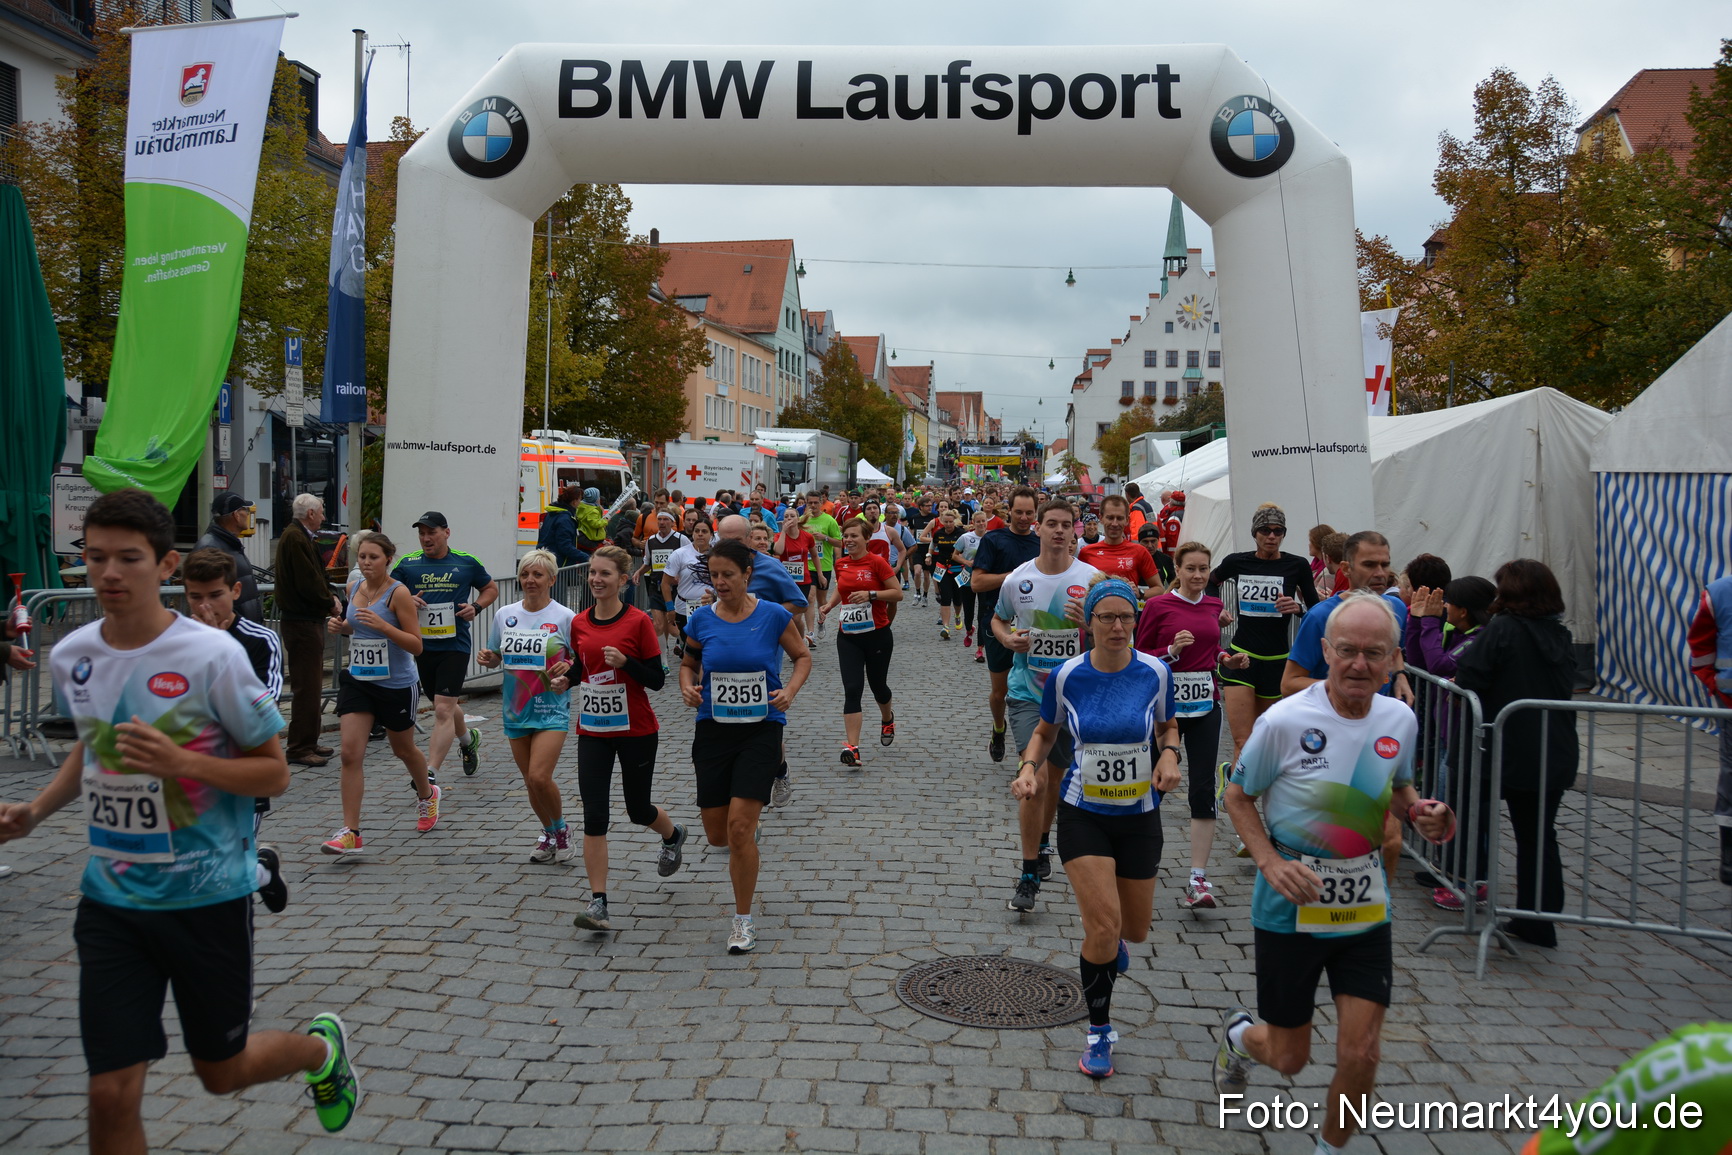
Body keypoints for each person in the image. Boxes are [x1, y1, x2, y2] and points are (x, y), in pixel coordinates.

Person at [0, 489, 362, 1147]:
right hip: (112, 899)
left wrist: (180, 762)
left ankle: (319, 1052)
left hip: (206, 897)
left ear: (164, 566)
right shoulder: (74, 654)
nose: (109, 572)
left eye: (128, 558)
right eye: (96, 556)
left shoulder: (212, 656)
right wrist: (35, 810)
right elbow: (94, 742)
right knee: (108, 1094)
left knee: (221, 1072)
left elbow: (273, 770)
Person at [1214, 592, 1455, 1153]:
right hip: (1290, 908)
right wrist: (1271, 862)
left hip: (1365, 905)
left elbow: (1395, 789)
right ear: (1326, 649)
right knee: (1289, 1057)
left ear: (1394, 657)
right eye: (1347, 650)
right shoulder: (1286, 721)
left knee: (1362, 1052)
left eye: (1374, 653)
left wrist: (1420, 812)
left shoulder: (1399, 718)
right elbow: (1237, 796)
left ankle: (1331, 1147)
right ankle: (1239, 1037)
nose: (1359, 664)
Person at [1015, 575, 1180, 1078]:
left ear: (1136, 620)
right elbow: (1045, 732)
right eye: (1106, 617)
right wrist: (1028, 768)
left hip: (1140, 814)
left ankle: (1117, 944)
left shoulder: (1155, 671)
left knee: (1132, 928)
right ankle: (1100, 1030)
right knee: (1102, 926)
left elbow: (1167, 724)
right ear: (1088, 623)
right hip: (1084, 814)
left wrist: (1170, 754)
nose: (1117, 626)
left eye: (1125, 617)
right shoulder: (1067, 676)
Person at [678, 539, 812, 953]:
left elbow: (802, 657)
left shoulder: (772, 615)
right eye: (714, 575)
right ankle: (745, 824)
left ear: (747, 574)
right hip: (714, 731)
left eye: (728, 575)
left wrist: (789, 690)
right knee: (719, 835)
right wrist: (687, 687)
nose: (720, 582)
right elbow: (688, 663)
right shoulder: (701, 620)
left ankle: (742, 920)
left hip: (761, 728)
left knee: (737, 831)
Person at [1454, 559, 1579, 949]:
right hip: (1552, 748)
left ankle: (1464, 883)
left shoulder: (1503, 630)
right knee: (1538, 834)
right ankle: (1538, 919)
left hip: (1505, 747)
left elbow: (1470, 677)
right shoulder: (1559, 634)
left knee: (1472, 815)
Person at [564, 546, 687, 932]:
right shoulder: (580, 623)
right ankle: (598, 902)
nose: (596, 580)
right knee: (594, 813)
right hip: (593, 732)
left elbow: (656, 679)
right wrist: (563, 679)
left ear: (623, 579)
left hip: (636, 730)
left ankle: (673, 834)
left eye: (605, 574)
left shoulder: (638, 623)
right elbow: (579, 667)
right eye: (593, 573)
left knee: (637, 810)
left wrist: (626, 664)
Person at [994, 498, 1099, 911]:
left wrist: (1088, 624)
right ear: (1036, 528)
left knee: (1055, 780)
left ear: (1075, 530)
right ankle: (1026, 873)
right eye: (1051, 523)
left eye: (1066, 524)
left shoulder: (1091, 579)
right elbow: (999, 619)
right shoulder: (1017, 579)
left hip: (1072, 696)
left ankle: (1041, 842)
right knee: (1032, 775)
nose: (1059, 530)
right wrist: (1006, 639)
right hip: (1027, 693)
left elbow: (1118, 630)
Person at [1136, 543, 1251, 909]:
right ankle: (1138, 861)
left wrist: (1227, 660)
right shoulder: (1157, 605)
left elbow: (1210, 650)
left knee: (1201, 789)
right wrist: (1170, 651)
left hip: (1204, 705)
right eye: (1191, 569)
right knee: (1153, 783)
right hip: (1164, 707)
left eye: (1204, 569)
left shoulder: (1215, 605)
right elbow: (1138, 655)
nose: (1199, 575)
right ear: (1178, 570)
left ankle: (1197, 878)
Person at [182, 548, 290, 914]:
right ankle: (260, 870)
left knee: (228, 870)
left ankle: (254, 875)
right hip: (186, 768)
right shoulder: (175, 642)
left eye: (215, 595)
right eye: (195, 597)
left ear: (235, 592)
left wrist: (219, 651)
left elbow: (262, 707)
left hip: (242, 765)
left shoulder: (260, 640)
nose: (205, 606)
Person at [323, 533, 439, 854]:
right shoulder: (354, 587)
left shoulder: (397, 594)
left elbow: (416, 644)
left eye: (373, 557)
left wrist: (384, 627)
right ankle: (351, 831)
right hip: (359, 680)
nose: (366, 562)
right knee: (349, 753)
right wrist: (341, 627)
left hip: (396, 684)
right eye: (362, 557)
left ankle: (427, 794)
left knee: (403, 749)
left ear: (388, 559)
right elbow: (354, 626)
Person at [475, 549, 578, 865]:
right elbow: (496, 652)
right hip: (516, 709)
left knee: (539, 776)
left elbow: (580, 659)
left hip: (550, 708)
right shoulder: (505, 613)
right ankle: (547, 833)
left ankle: (561, 831)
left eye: (537, 575)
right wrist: (489, 658)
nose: (530, 581)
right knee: (530, 781)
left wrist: (568, 668)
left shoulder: (565, 617)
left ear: (552, 579)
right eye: (525, 574)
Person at [1405, 575, 1496, 911]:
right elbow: (1418, 659)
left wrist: (1429, 622)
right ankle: (1448, 869)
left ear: (1464, 609)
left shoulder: (1479, 638)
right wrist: (1417, 621)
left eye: (1449, 604)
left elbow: (1441, 666)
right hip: (1447, 734)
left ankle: (1471, 880)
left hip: (1466, 737)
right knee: (1445, 801)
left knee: (1458, 806)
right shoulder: (1453, 632)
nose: (1444, 609)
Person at [1210, 503, 1321, 765]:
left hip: (1276, 660)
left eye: (1277, 531)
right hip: (1242, 657)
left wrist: (1299, 607)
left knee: (1266, 739)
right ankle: (1235, 793)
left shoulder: (1298, 565)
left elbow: (1316, 608)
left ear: (1283, 534)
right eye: (1265, 530)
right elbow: (1211, 582)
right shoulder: (1237, 561)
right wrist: (1218, 610)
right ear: (1255, 533)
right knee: (1242, 740)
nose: (1271, 536)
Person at [394, 511, 498, 781]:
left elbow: (490, 589)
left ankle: (430, 773)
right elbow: (388, 595)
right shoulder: (407, 564)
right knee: (446, 704)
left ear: (446, 533)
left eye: (431, 532)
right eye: (421, 533)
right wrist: (406, 601)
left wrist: (476, 606)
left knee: (442, 709)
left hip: (455, 645)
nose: (426, 538)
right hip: (421, 647)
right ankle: (468, 739)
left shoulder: (465, 562)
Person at [817, 518, 902, 766]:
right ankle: (853, 748)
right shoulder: (841, 564)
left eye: (854, 536)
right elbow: (841, 588)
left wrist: (871, 594)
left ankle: (887, 719)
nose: (849, 540)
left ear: (866, 539)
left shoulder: (877, 562)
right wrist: (830, 605)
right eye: (846, 536)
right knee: (852, 689)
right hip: (848, 636)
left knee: (879, 687)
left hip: (877, 634)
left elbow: (897, 594)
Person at [971, 487, 1042, 762]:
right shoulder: (993, 539)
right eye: (1019, 512)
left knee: (1032, 691)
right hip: (998, 621)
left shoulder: (1040, 542)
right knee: (1000, 692)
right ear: (1008, 510)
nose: (1024, 518)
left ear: (1035, 513)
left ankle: (1028, 756)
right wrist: (1015, 577)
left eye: (1029, 512)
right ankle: (999, 728)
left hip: (1034, 625)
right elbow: (977, 583)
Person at [275, 493, 339, 768]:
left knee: (312, 686)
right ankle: (299, 747)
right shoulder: (295, 538)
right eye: (322, 511)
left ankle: (308, 741)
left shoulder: (299, 536)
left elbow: (315, 577)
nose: (324, 517)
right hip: (301, 622)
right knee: (307, 687)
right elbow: (308, 581)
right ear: (311, 514)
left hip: (306, 621)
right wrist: (329, 602)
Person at [1688, 575, 1732, 884]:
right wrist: (1714, 682)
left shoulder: (1719, 591)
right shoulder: (1719, 592)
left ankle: (1730, 862)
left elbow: (1701, 646)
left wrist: (1713, 681)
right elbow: (1701, 646)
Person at [193, 491, 263, 622]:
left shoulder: (229, 543)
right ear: (236, 515)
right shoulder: (211, 548)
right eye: (245, 511)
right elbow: (207, 597)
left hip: (241, 630)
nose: (248, 515)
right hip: (229, 631)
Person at [1079, 495, 1162, 601]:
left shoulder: (1139, 551)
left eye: (1119, 518)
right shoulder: (1086, 553)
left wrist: (1140, 592)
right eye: (1110, 517)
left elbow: (1159, 589)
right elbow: (1078, 588)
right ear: (1101, 518)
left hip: (1126, 615)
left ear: (1127, 520)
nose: (1114, 523)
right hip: (1095, 615)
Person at [632, 509, 689, 660]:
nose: (662, 523)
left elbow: (690, 560)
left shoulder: (680, 539)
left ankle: (686, 644)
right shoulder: (650, 541)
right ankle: (663, 661)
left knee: (672, 625)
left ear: (672, 522)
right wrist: (639, 572)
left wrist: (680, 574)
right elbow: (648, 563)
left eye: (666, 519)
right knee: (658, 624)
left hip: (675, 589)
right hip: (656, 585)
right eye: (660, 520)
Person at [662, 516, 715, 658]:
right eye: (697, 531)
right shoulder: (680, 554)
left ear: (711, 534)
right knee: (690, 647)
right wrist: (669, 608)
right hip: (684, 608)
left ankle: (702, 677)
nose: (700, 534)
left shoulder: (717, 554)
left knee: (707, 647)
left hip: (711, 607)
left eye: (704, 531)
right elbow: (665, 583)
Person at [772, 508, 819, 643]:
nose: (789, 519)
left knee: (796, 616)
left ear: (798, 519)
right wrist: (783, 532)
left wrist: (820, 574)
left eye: (792, 516)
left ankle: (799, 643)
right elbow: (778, 550)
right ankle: (798, 643)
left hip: (803, 580)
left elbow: (814, 555)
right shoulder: (779, 536)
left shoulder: (807, 536)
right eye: (786, 516)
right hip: (785, 580)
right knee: (790, 616)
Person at [536, 486, 588, 567]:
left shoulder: (552, 514)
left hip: (547, 560)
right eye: (580, 499)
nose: (580, 502)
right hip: (560, 563)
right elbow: (565, 546)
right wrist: (587, 558)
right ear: (574, 501)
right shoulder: (565, 519)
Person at [1135, 522, 1177, 590]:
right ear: (1139, 542)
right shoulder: (1131, 559)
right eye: (1145, 542)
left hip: (1158, 599)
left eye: (1153, 541)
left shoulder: (1166, 560)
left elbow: (1174, 586)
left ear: (1158, 541)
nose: (1150, 546)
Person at [573, 486, 609, 551]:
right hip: (592, 537)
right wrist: (605, 521)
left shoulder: (582, 507)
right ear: (595, 499)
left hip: (586, 535)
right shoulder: (593, 511)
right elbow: (595, 523)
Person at [1305, 523, 1336, 594]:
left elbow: (1317, 597)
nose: (1309, 544)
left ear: (1317, 543)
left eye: (1310, 541)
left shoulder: (1329, 570)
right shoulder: (1314, 567)